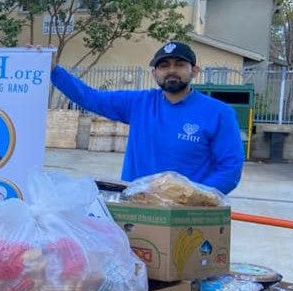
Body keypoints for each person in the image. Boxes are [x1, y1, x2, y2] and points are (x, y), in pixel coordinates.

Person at [50, 41, 244, 194]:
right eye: (164, 65)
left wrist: (195, 197)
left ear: (194, 70)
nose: (171, 70)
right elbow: (90, 97)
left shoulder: (219, 113)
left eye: (180, 64)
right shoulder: (139, 103)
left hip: (186, 215)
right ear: (154, 73)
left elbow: (230, 168)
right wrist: (53, 70)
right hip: (138, 207)